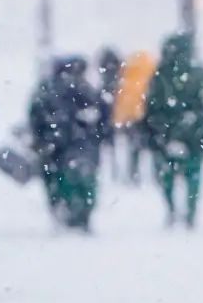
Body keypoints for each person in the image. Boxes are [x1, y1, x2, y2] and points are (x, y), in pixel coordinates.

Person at [27, 56, 111, 232]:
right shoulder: (85, 89)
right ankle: (79, 217)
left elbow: (36, 116)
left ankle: (66, 214)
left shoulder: (48, 89)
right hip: (78, 146)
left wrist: (42, 138)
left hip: (58, 147)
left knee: (59, 183)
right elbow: (103, 116)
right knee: (83, 182)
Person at [143, 33, 203, 229]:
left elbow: (151, 108)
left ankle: (174, 211)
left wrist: (158, 132)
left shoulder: (160, 76)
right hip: (192, 135)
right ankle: (188, 214)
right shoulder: (199, 75)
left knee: (167, 177)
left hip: (168, 134)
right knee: (191, 177)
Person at [114, 48, 156, 184]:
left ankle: (134, 172)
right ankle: (154, 173)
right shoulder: (150, 76)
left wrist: (119, 118)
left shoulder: (127, 77)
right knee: (152, 145)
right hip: (147, 116)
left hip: (132, 118)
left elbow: (122, 100)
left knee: (134, 147)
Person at [96, 46, 124, 175]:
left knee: (108, 140)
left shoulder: (105, 83)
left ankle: (112, 170)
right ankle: (116, 170)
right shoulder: (116, 79)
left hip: (107, 108)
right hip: (114, 104)